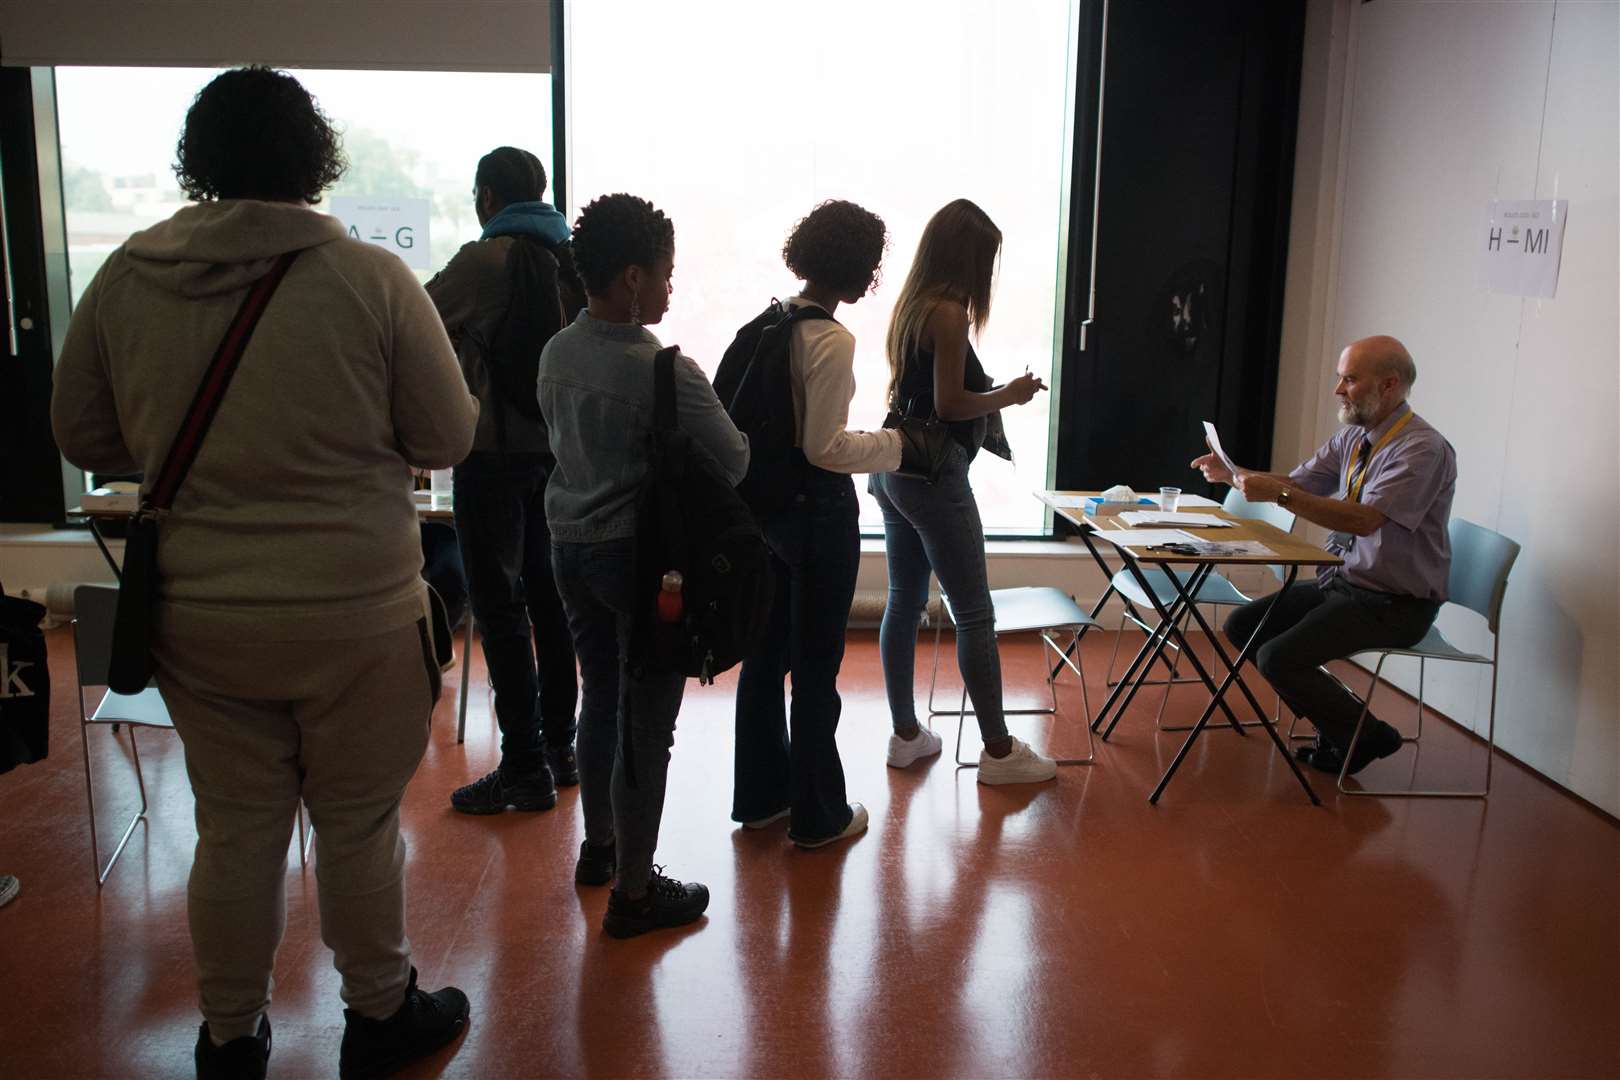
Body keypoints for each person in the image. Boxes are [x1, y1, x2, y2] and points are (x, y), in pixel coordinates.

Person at [50, 67, 473, 1080]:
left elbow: (82, 430)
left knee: (235, 827)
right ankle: (379, 1016)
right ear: (310, 157)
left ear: (200, 161)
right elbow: (447, 434)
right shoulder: (372, 279)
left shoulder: (126, 276)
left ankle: (230, 1037)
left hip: (202, 613)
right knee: (359, 824)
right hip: (358, 611)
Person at [538, 193, 748, 937]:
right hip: (639, 560)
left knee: (599, 695)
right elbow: (735, 457)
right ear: (631, 278)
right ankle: (634, 892)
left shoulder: (557, 352)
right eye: (663, 273)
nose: (669, 288)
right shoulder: (664, 371)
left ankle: (598, 849)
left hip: (567, 543)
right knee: (647, 723)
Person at [1194, 334, 1456, 776]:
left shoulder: (1421, 449)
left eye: (1349, 379)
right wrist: (1235, 474)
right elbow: (1301, 484)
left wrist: (1274, 492)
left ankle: (1364, 736)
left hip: (1396, 603)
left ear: (1389, 385)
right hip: (1347, 584)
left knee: (1278, 657)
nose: (1338, 389)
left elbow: (1364, 520)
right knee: (1243, 626)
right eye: (1340, 377)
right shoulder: (1356, 436)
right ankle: (1348, 727)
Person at [870, 199, 1055, 784]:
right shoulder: (948, 314)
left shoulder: (912, 306)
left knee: (904, 599)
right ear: (968, 257)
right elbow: (950, 406)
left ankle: (906, 735)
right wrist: (1012, 394)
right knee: (974, 612)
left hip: (894, 467)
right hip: (935, 479)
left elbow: (923, 396)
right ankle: (998, 753)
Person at [730, 200, 897, 848]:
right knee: (817, 666)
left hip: (766, 513)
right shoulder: (830, 339)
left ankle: (762, 798)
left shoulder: (767, 324)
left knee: (765, 657)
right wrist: (894, 447)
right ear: (858, 269)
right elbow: (823, 447)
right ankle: (818, 816)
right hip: (818, 515)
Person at [426, 146, 584, 814]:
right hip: (560, 458)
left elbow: (417, 326)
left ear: (488, 197)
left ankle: (520, 764)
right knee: (552, 604)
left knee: (500, 607)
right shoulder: (572, 261)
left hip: (491, 456)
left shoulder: (481, 261)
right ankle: (560, 749)